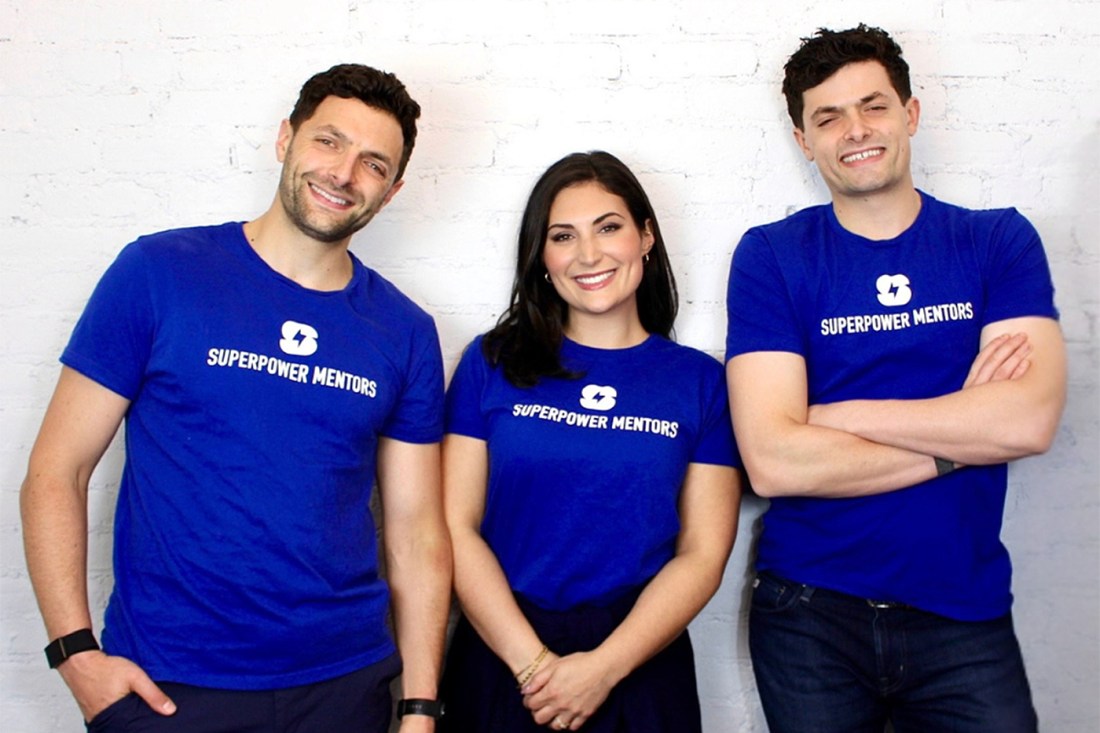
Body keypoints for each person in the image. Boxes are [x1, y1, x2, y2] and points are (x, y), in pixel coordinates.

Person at [20, 64, 451, 733]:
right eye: (329, 142)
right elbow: (56, 470)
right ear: (285, 139)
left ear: (391, 192)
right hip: (170, 685)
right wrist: (75, 653)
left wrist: (420, 705)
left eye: (372, 163)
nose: (343, 173)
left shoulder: (405, 332)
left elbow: (417, 530)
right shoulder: (159, 273)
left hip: (344, 685)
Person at [725, 24, 1067, 733]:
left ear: (909, 113)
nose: (855, 130)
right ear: (803, 139)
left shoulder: (996, 241)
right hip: (810, 611)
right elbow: (773, 459)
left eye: (873, 106)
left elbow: (1026, 422)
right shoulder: (772, 257)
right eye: (828, 116)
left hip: (961, 607)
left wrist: (833, 413)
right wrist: (960, 435)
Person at [440, 151, 742, 732]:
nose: (589, 254)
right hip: (504, 657)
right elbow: (455, 526)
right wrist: (534, 668)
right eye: (563, 236)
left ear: (646, 236)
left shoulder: (700, 383)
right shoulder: (491, 363)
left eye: (609, 227)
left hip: (640, 664)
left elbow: (704, 554)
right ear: (541, 256)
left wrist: (603, 668)